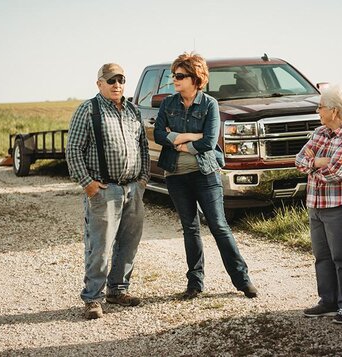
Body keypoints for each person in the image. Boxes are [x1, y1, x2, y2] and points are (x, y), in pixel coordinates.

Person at [153, 52, 257, 299]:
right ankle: (195, 284)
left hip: (205, 173)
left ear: (195, 78)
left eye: (180, 76)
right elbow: (158, 135)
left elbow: (209, 141)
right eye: (174, 75)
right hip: (176, 175)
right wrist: (191, 137)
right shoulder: (168, 104)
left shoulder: (209, 104)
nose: (174, 80)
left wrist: (179, 140)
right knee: (190, 229)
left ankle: (243, 281)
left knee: (219, 226)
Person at [66, 63, 149, 319]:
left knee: (128, 245)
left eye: (121, 79)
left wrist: (143, 179)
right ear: (99, 83)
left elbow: (143, 147)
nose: (117, 85)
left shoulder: (133, 110)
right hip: (104, 190)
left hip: (132, 189)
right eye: (111, 80)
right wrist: (88, 184)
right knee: (99, 247)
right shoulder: (88, 110)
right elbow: (73, 150)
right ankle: (92, 298)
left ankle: (118, 290)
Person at [295, 84, 342, 324]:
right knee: (322, 257)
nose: (318, 111)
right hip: (316, 205)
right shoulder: (319, 133)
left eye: (321, 107)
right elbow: (300, 160)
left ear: (334, 111)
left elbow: (339, 172)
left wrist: (316, 165)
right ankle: (328, 301)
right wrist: (318, 163)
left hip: (341, 207)